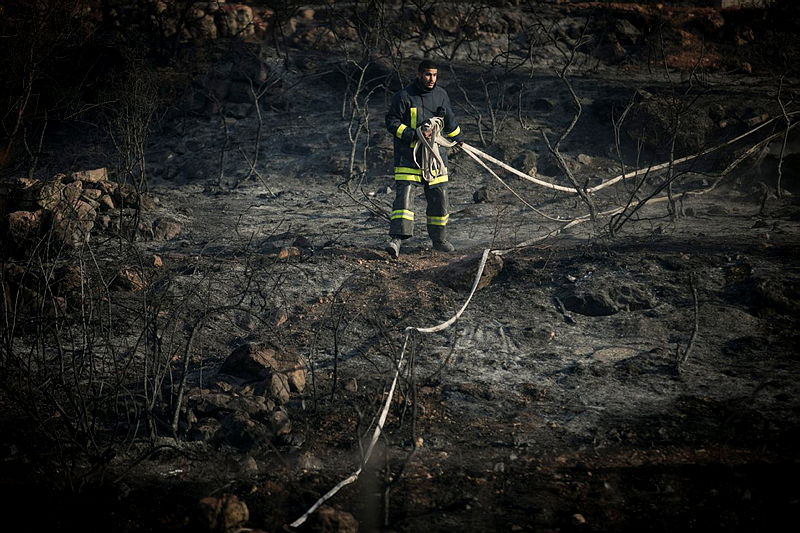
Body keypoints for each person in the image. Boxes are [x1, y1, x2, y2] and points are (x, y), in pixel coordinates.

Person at [384, 59, 463, 259]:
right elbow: (392, 122)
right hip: (409, 158)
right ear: (419, 74)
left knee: (439, 197)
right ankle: (396, 240)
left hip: (436, 158)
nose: (431, 79)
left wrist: (457, 139)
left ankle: (440, 240)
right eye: (428, 74)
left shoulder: (441, 95)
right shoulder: (404, 96)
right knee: (405, 198)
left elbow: (450, 121)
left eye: (435, 75)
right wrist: (413, 134)